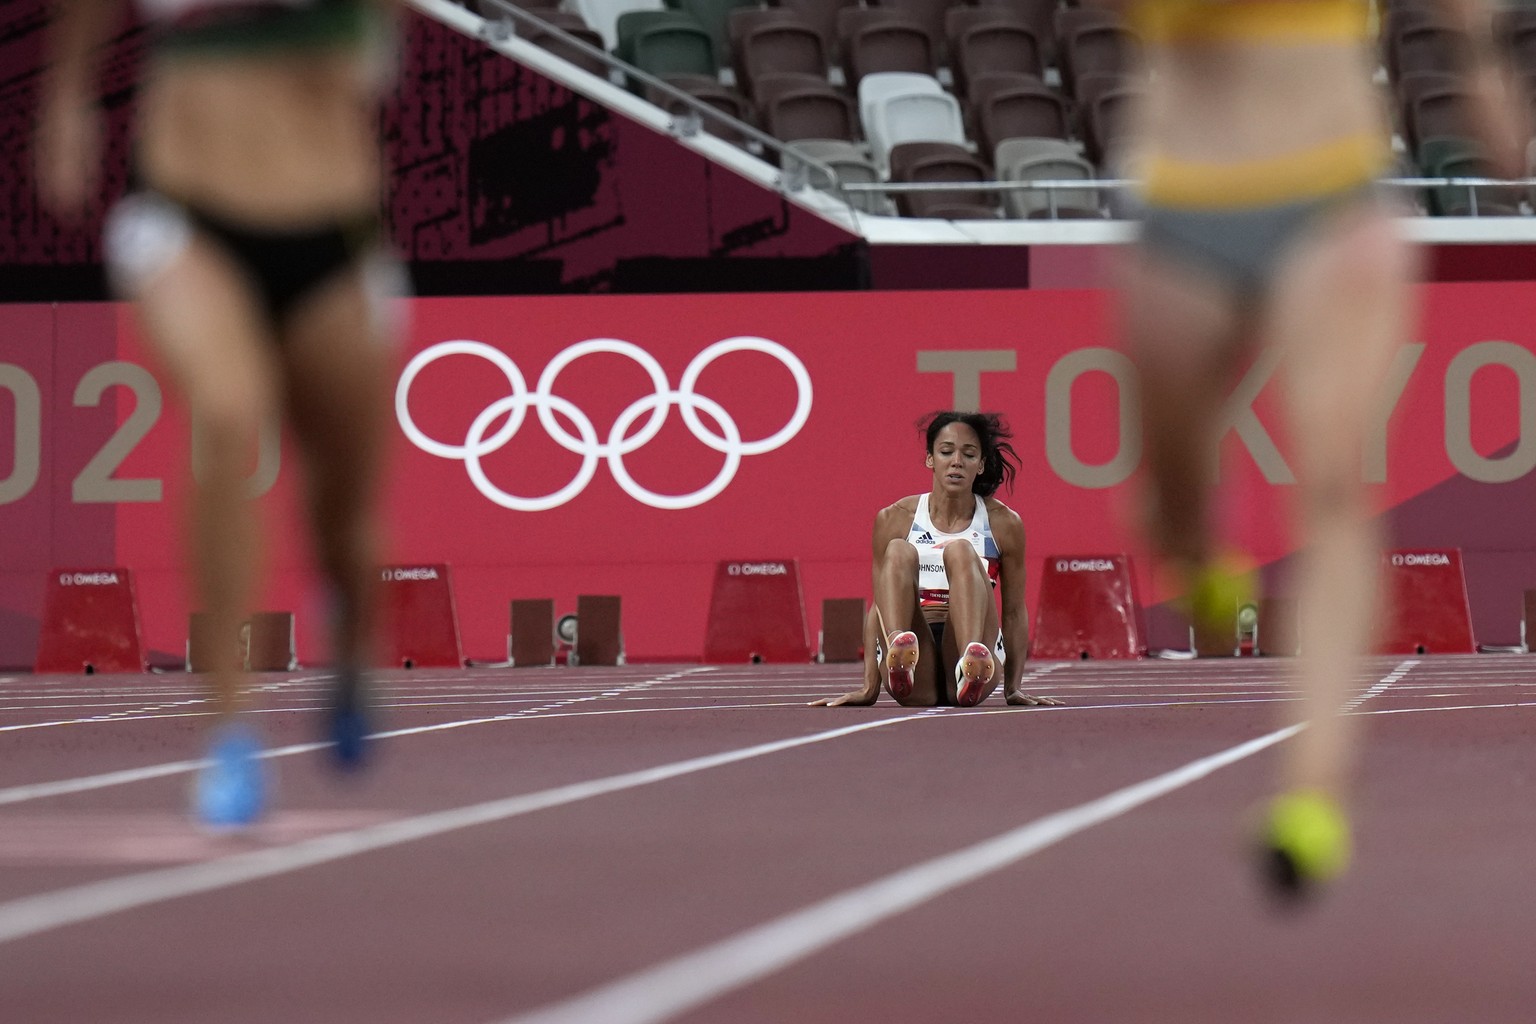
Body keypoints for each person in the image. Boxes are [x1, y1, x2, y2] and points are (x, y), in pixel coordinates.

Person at [1106, 0, 1526, 896]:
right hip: (1185, 198)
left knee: (1333, 484)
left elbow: (1476, 48)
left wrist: (1482, 61)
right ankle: (1198, 553)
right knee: (1170, 499)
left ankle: (1313, 796)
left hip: (1335, 195)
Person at [36, 0, 404, 826]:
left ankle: (350, 650)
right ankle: (229, 729)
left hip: (333, 230)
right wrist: (66, 97)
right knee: (228, 415)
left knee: (346, 517)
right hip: (184, 209)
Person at [812, 411, 1062, 710]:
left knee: (960, 551)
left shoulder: (1003, 523)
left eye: (969, 454)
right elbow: (879, 604)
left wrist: (1014, 688)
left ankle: (972, 658)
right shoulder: (895, 518)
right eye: (946, 452)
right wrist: (869, 686)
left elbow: (1013, 613)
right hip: (920, 643)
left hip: (972, 633)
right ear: (930, 459)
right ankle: (899, 652)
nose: (956, 461)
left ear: (981, 465)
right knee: (898, 550)